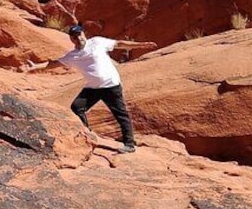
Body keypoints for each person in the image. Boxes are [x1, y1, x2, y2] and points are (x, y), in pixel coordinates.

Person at [27, 24, 156, 153]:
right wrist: (35, 67)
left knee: (121, 114)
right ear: (72, 39)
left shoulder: (97, 42)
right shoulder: (72, 56)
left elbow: (119, 44)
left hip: (110, 85)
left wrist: (141, 45)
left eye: (80, 35)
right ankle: (87, 135)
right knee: (77, 107)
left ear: (84, 34)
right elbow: (54, 63)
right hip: (93, 88)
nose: (79, 39)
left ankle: (129, 144)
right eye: (75, 37)